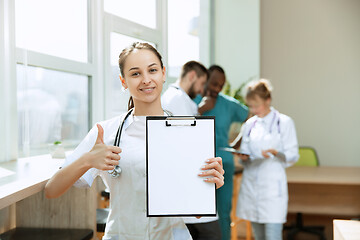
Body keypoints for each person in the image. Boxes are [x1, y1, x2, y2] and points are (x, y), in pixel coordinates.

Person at [44, 42, 225, 240]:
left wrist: (207, 187)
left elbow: (195, 213)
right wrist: (87, 160)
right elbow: (52, 190)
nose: (146, 80)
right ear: (123, 81)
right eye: (135, 73)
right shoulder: (106, 132)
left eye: (153, 70)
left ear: (163, 74)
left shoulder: (186, 133)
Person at [162, 61, 222, 240]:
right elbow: (187, 142)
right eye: (202, 83)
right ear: (192, 76)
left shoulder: (180, 99)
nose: (202, 89)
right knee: (211, 234)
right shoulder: (176, 99)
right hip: (189, 181)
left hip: (191, 180)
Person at [235, 79, 299, 240]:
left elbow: (293, 155)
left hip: (272, 191)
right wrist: (244, 157)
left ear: (268, 100)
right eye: (251, 105)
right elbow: (244, 156)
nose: (253, 109)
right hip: (251, 188)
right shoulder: (249, 124)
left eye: (257, 105)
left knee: (272, 236)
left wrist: (276, 153)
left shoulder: (283, 122)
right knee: (258, 236)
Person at [194, 65, 249, 240]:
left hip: (224, 163)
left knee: (224, 213)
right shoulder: (193, 102)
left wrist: (236, 144)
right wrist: (200, 110)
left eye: (221, 85)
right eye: (214, 84)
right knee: (198, 213)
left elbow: (250, 118)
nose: (217, 89)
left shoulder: (228, 104)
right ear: (205, 79)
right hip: (198, 166)